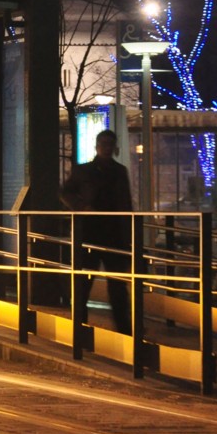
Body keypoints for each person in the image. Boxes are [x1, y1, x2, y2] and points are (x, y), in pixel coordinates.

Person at [60, 128, 133, 335]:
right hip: (91, 232)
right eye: (104, 145)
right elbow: (65, 192)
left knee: (117, 286)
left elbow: (126, 204)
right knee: (85, 283)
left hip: (111, 234)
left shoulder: (118, 171)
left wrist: (127, 234)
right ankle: (81, 325)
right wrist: (82, 207)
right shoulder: (84, 171)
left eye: (110, 145)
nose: (107, 149)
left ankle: (123, 328)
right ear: (97, 146)